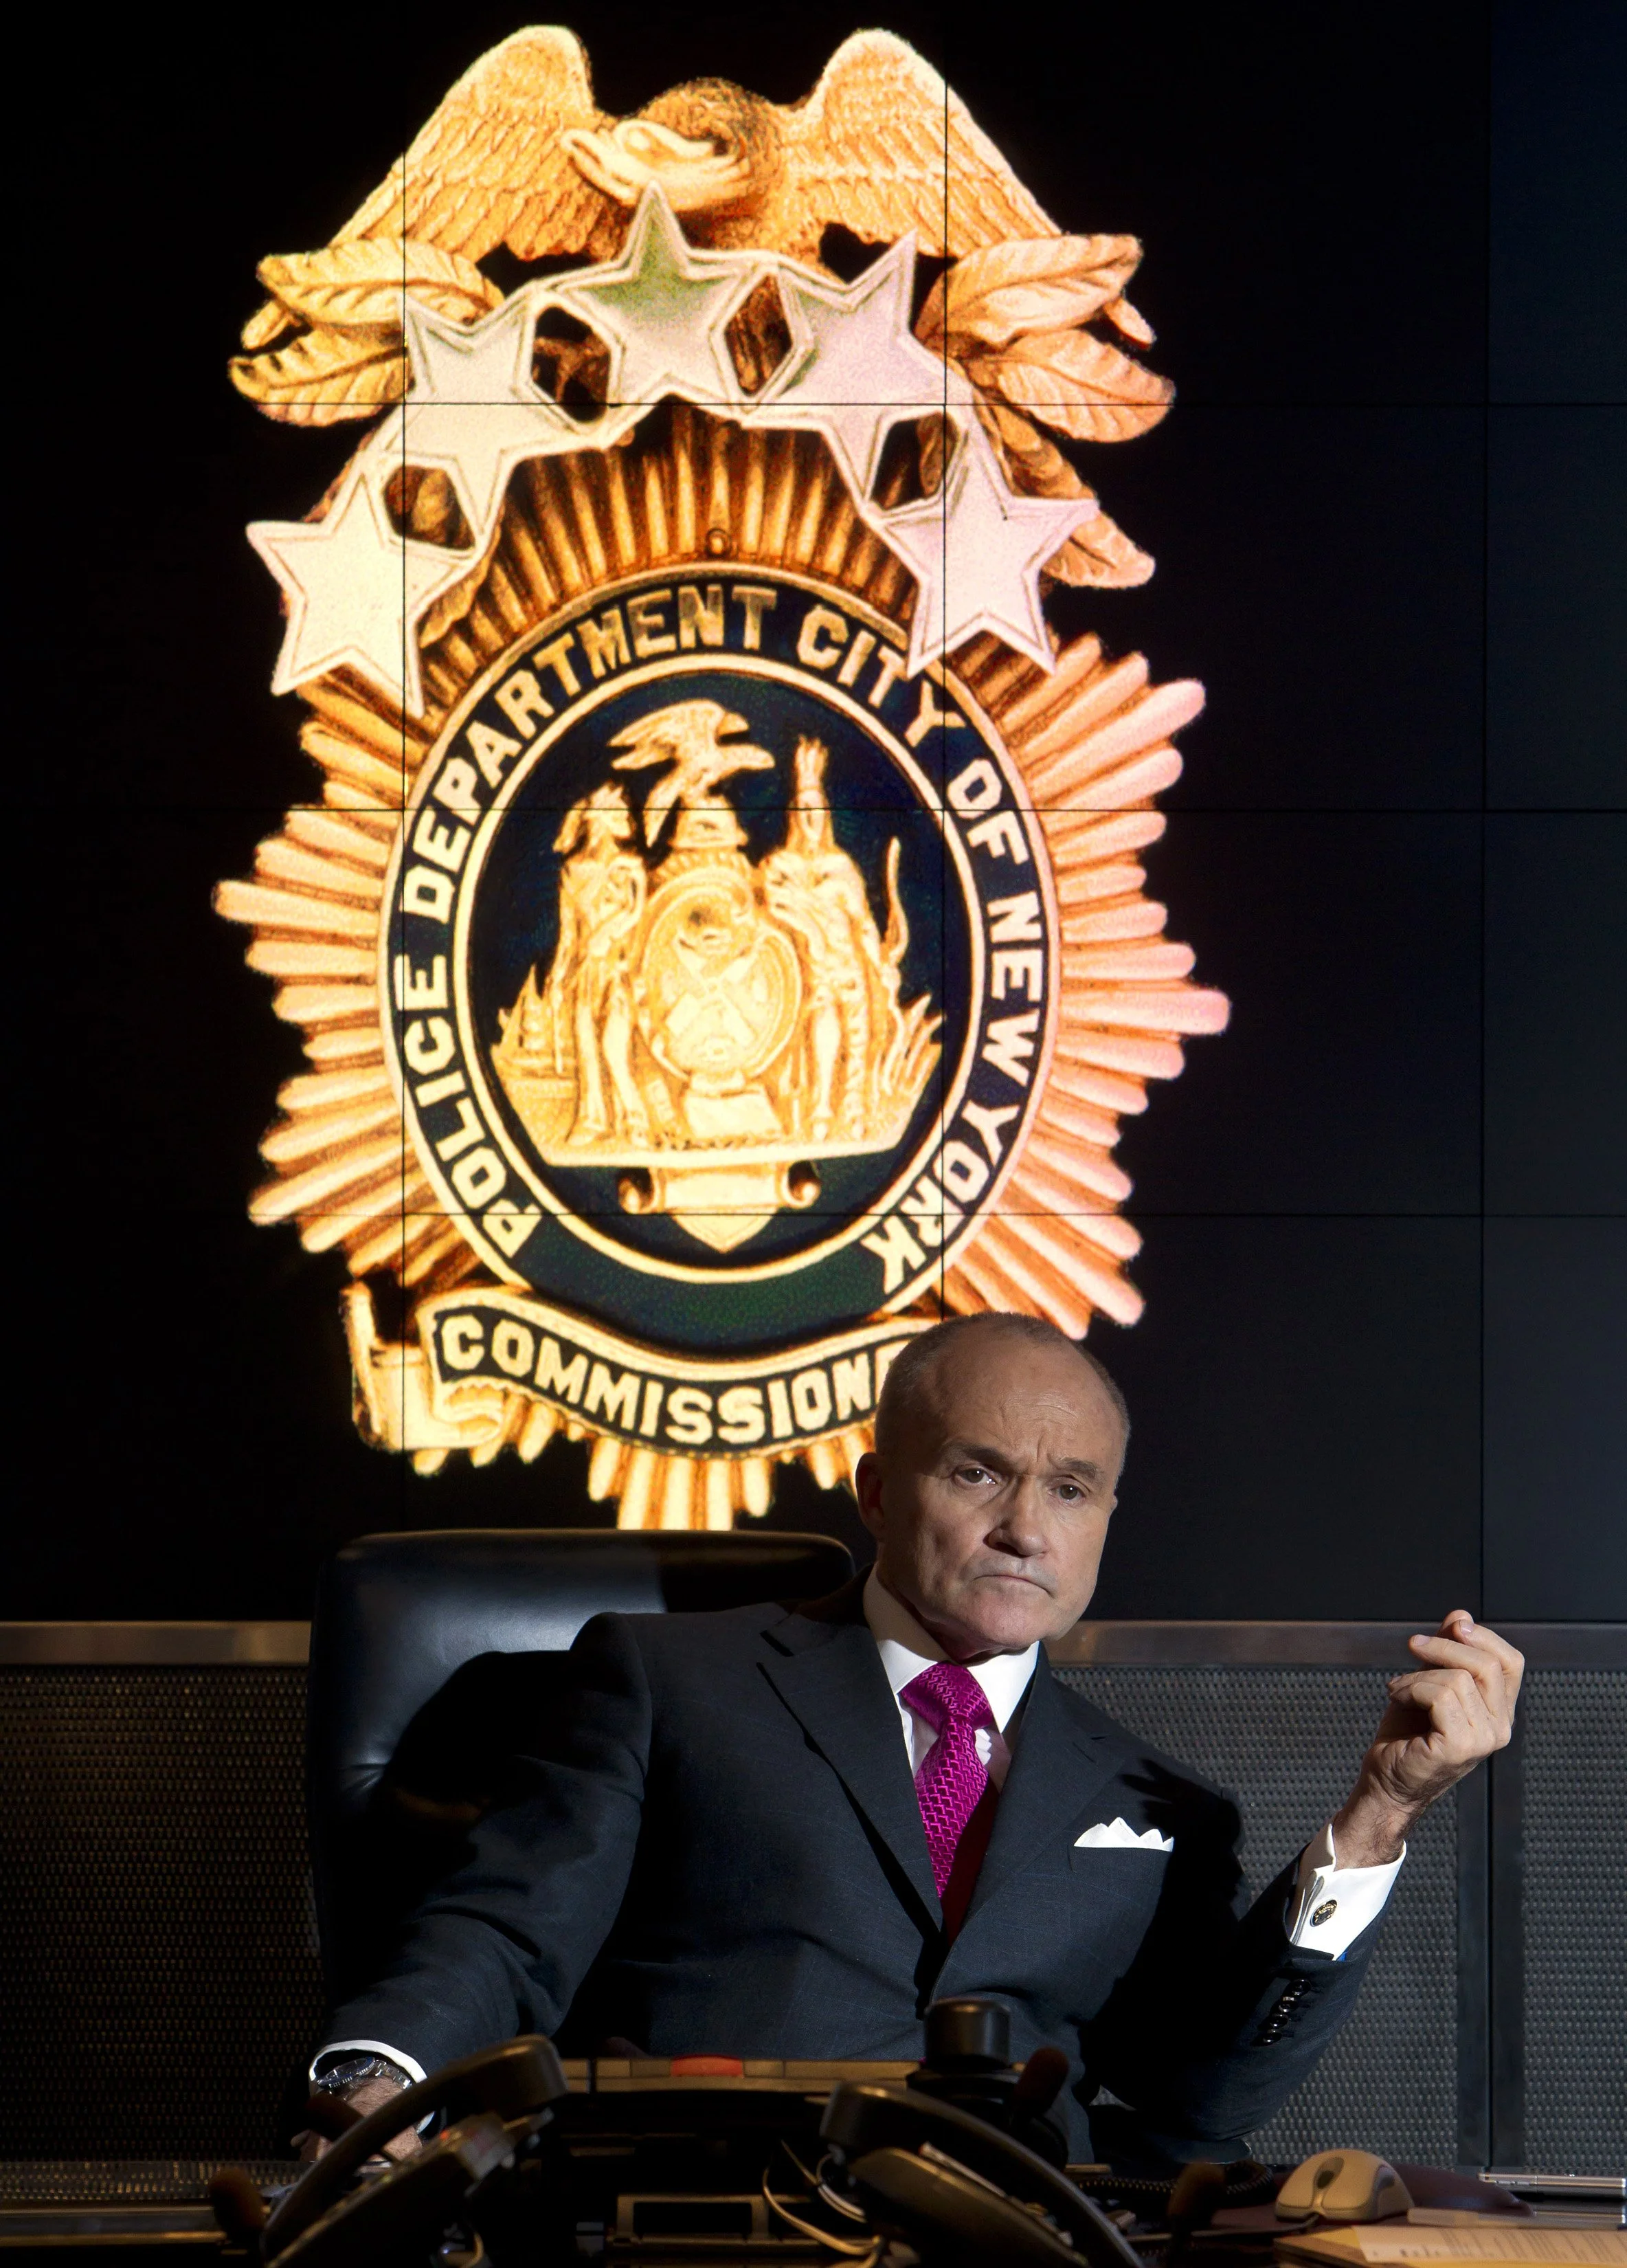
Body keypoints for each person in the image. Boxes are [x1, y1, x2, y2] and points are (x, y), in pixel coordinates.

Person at [303, 1313, 1522, 2164]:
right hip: (718, 2221)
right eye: (979, 1474)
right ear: (881, 1491)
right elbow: (505, 1935)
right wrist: (377, 2084)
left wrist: (1378, 1819)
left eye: (1071, 1489)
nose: (1025, 1530)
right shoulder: (670, 1679)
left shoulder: (1164, 1805)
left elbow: (1201, 2097)